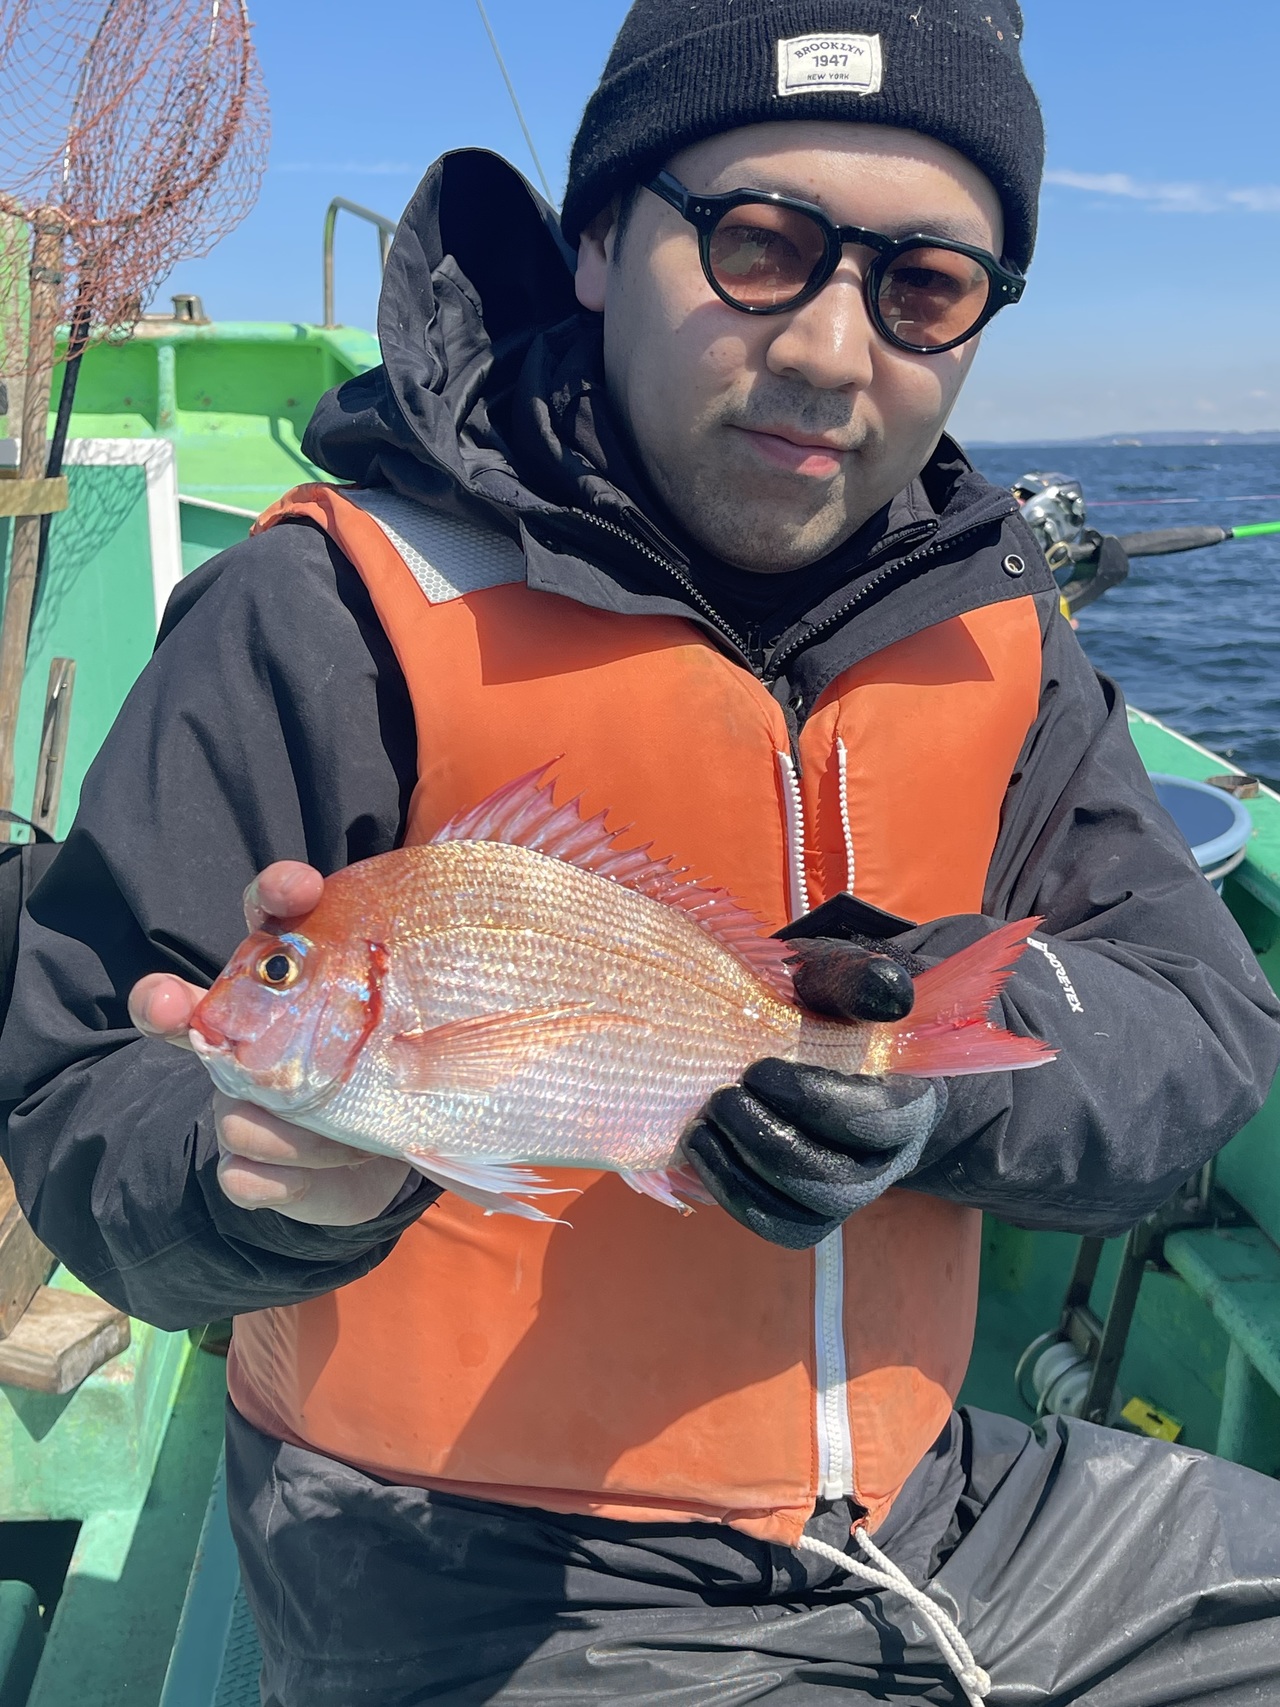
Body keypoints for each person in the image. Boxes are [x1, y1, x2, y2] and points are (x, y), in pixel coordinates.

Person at [4, 1, 1280, 1700]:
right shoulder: (328, 609)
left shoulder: (1001, 636)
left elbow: (1201, 1026)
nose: (832, 351)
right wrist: (258, 1187)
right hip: (464, 1564)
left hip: (938, 1503)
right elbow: (85, 1092)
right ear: (600, 240)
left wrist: (915, 1086)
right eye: (759, 244)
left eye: (923, 287)